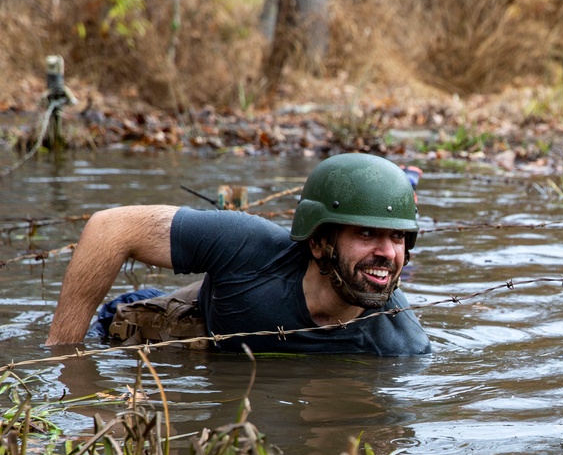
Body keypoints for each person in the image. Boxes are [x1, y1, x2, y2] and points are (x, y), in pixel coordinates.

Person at [45, 153, 432, 356]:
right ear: (317, 243)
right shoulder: (248, 247)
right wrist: (63, 360)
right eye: (366, 233)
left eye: (397, 237)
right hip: (182, 324)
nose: (387, 252)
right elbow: (110, 227)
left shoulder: (401, 343)